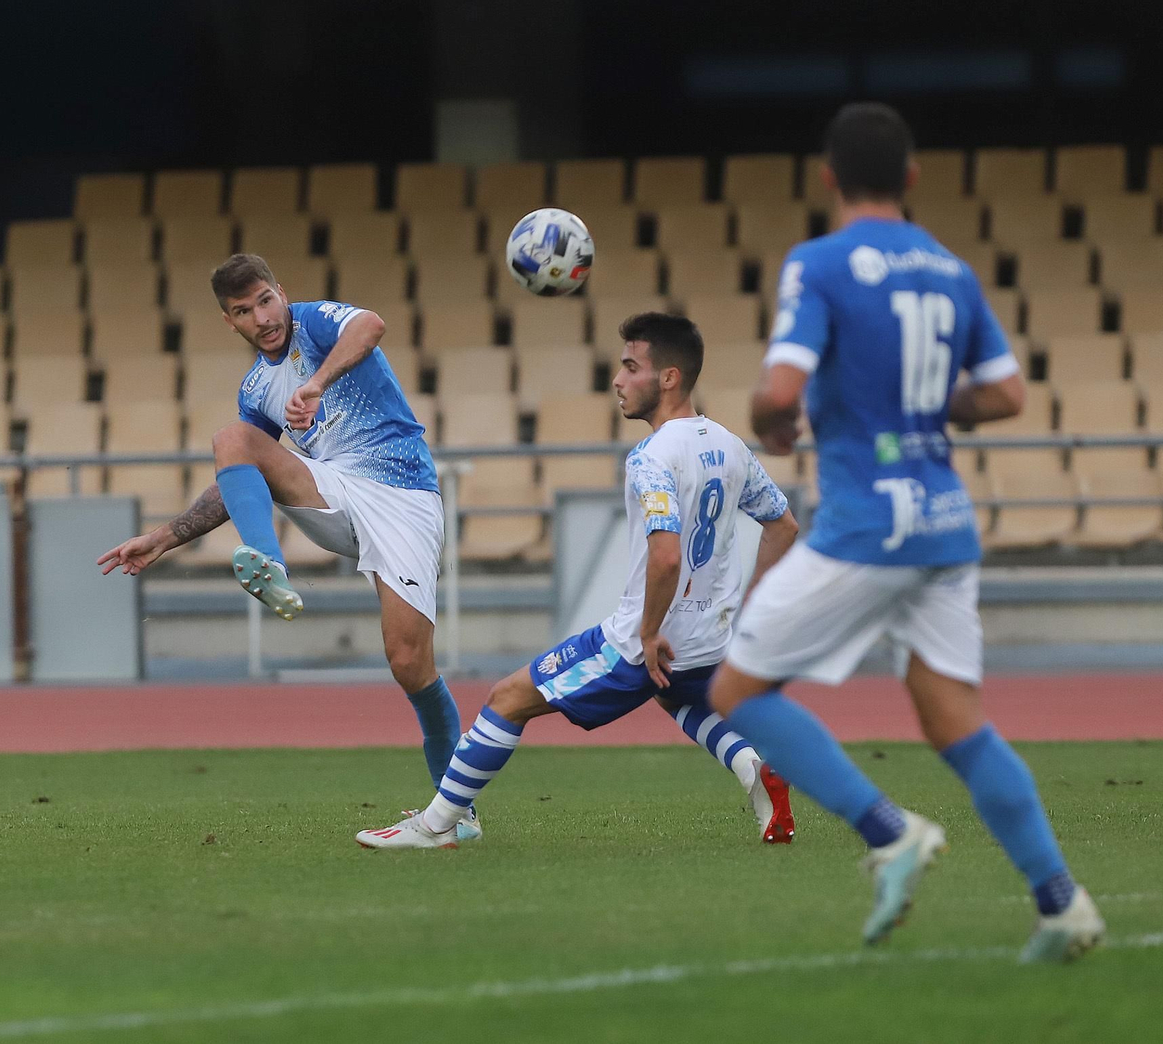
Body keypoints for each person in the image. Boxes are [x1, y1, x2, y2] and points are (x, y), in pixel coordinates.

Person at [706, 103, 1105, 962]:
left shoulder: (820, 263)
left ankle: (889, 833)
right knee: (955, 721)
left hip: (868, 523)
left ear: (827, 177)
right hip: (946, 521)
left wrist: (772, 422)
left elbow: (780, 392)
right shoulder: (950, 269)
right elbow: (1004, 395)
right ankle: (1061, 904)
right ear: (913, 177)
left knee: (737, 694)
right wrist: (925, 408)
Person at [357, 312, 799, 849]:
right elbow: (783, 525)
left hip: (642, 642)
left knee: (507, 698)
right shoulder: (729, 445)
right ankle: (755, 769)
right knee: (680, 700)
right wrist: (747, 611)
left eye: (631, 367)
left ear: (668, 378)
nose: (617, 379)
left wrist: (648, 631)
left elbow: (665, 555)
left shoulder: (652, 456)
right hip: (711, 638)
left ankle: (436, 826)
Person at [98, 254, 472, 836]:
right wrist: (166, 537)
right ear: (230, 322)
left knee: (408, 663)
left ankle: (456, 816)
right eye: (244, 311)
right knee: (233, 438)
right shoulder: (255, 388)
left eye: (265, 300)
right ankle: (266, 559)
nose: (262, 317)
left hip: (402, 497)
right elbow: (240, 466)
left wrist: (317, 383)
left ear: (281, 293)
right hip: (333, 492)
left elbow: (370, 324)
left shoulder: (314, 323)